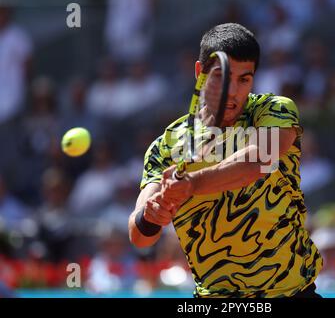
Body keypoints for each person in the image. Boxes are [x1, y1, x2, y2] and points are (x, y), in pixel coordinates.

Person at [128, 23, 323, 298]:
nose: (233, 91)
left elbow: (260, 160)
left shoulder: (271, 110)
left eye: (244, 79)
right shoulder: (166, 146)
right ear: (200, 73)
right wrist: (152, 214)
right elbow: (139, 236)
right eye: (223, 77)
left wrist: (192, 184)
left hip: (292, 293)